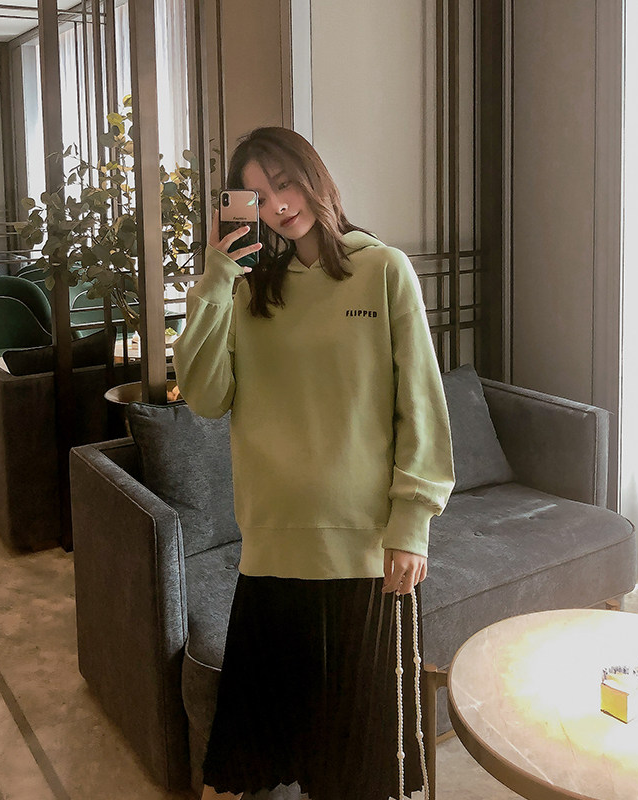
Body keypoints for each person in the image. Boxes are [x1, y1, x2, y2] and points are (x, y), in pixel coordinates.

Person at [173, 127, 454, 800]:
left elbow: (419, 403)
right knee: (270, 757)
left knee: (361, 767)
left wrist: (412, 523)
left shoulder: (382, 269)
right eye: (257, 196)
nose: (278, 205)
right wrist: (215, 279)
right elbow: (205, 396)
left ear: (314, 176)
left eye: (285, 183)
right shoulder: (249, 292)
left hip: (367, 554)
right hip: (272, 552)